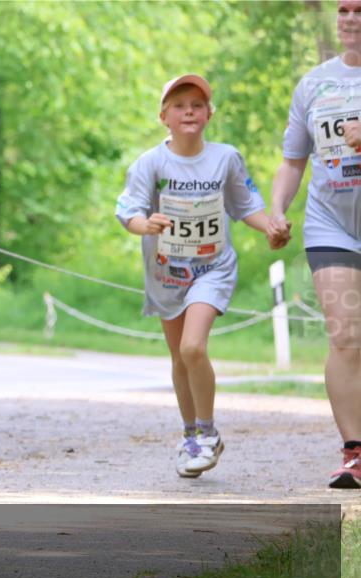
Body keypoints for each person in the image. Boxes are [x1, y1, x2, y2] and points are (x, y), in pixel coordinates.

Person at [115, 74, 281, 479]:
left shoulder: (225, 158)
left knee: (193, 347)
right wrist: (144, 225)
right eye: (179, 105)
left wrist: (271, 227)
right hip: (166, 273)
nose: (188, 111)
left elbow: (246, 206)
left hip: (213, 268)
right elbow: (128, 211)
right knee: (179, 356)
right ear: (164, 117)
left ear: (209, 114)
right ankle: (190, 435)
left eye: (197, 105)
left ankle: (207, 432)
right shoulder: (151, 163)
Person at [270, 0, 361, 489]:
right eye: (343, 9)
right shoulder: (314, 85)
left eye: (360, 10)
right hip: (331, 225)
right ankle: (355, 453)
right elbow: (293, 161)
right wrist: (277, 209)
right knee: (345, 335)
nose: (350, 18)